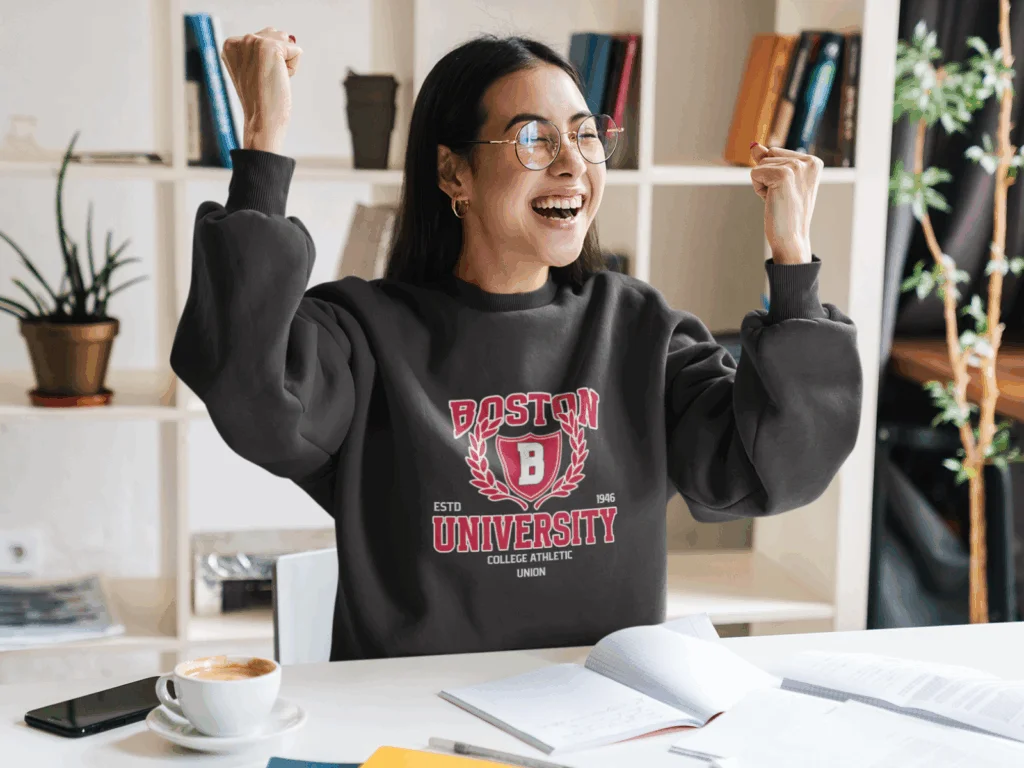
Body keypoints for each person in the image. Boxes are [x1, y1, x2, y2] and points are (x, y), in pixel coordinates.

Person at [170, 28, 863, 662]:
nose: (571, 165)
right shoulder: (365, 333)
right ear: (453, 174)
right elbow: (247, 388)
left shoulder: (639, 330)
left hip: (599, 719)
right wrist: (263, 140)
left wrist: (793, 260)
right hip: (411, 723)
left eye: (586, 135)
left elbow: (774, 468)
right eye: (533, 138)